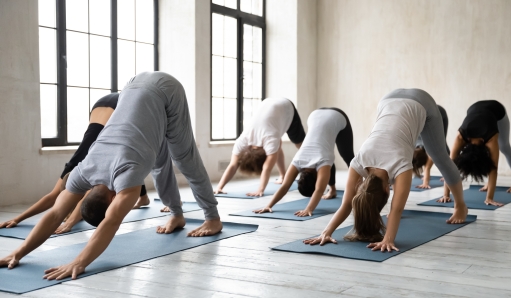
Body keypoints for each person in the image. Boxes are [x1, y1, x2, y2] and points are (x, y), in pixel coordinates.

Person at [0, 71, 222, 280]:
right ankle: (177, 214)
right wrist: (17, 253)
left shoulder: (125, 180)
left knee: (184, 158)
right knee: (157, 161)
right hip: (132, 85)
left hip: (166, 90)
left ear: (113, 200)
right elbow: (55, 214)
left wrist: (79, 262)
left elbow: (111, 221)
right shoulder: (82, 173)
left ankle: (212, 218)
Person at [303, 89, 468, 252]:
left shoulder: (401, 165)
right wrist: (325, 232)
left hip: (421, 101)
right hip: (387, 99)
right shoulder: (359, 161)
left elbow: (396, 209)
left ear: (386, 190)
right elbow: (347, 204)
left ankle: (460, 205)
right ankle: (459, 204)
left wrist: (388, 239)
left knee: (439, 157)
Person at [0, 93, 150, 234]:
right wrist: (17, 218)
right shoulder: (75, 167)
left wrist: (69, 223)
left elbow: (72, 198)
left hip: (115, 105)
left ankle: (145, 197)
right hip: (103, 105)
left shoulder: (89, 170)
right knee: (126, 161)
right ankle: (143, 198)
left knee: (129, 159)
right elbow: (52, 197)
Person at [253, 108, 354, 216]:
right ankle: (332, 190)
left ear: (317, 179)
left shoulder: (322, 160)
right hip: (314, 114)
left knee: (349, 157)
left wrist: (309, 209)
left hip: (337, 116)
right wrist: (268, 205)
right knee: (328, 163)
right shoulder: (298, 160)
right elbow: (285, 186)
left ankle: (360, 189)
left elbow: (319, 190)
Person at [214, 97, 305, 197]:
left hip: (286, 106)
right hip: (267, 103)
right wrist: (219, 187)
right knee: (276, 146)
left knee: (300, 144)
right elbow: (233, 165)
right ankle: (282, 176)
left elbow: (267, 168)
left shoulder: (270, 139)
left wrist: (260, 190)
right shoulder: (242, 141)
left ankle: (311, 169)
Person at [441, 100, 511, 206]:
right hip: (474, 108)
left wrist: (489, 198)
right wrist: (446, 194)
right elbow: (449, 167)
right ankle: (490, 184)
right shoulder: (460, 137)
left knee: (505, 147)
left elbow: (493, 169)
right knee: (452, 162)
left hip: (497, 110)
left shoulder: (491, 139)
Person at [413, 105, 449, 189]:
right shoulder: (411, 148)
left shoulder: (430, 149)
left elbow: (427, 167)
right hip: (426, 112)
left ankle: (447, 174)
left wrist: (425, 183)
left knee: (442, 143)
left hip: (440, 113)